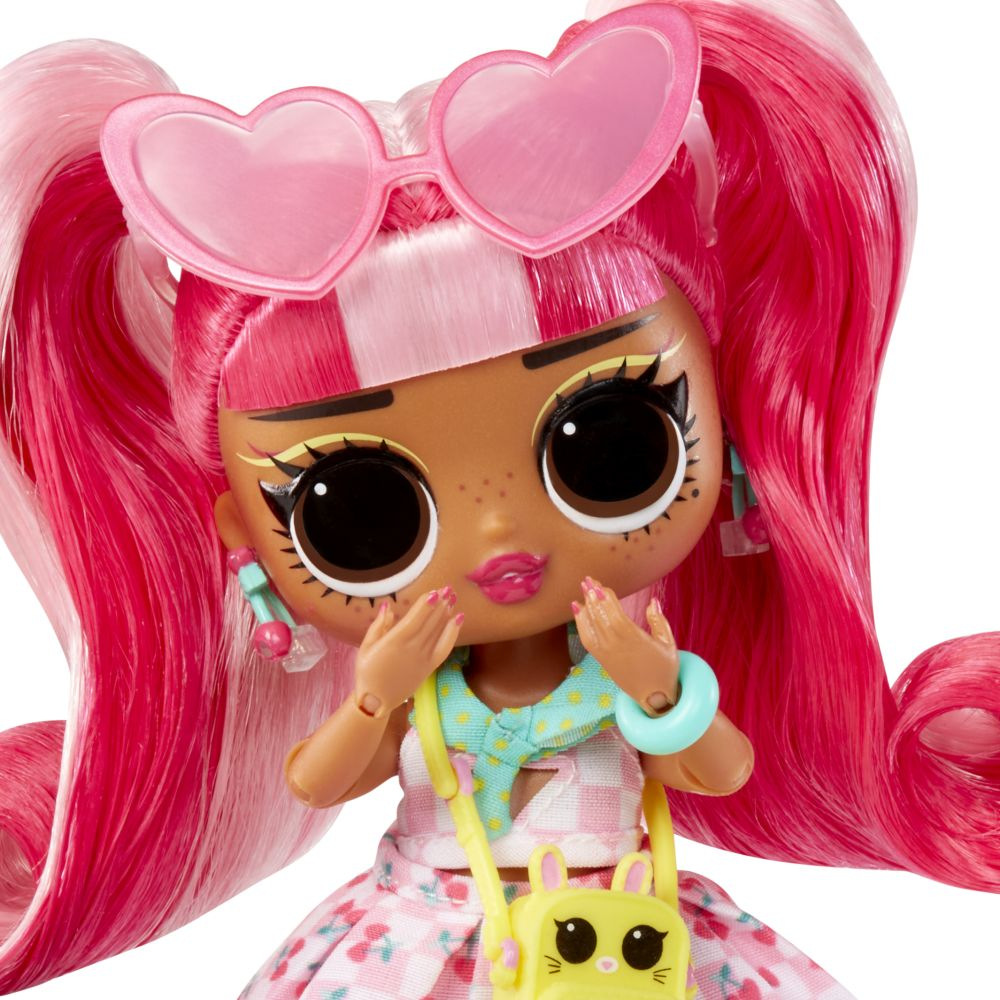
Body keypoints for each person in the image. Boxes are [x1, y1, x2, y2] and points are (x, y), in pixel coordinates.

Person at [0, 0, 995, 997]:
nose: (498, 529)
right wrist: (376, 694)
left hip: (626, 945)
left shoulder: (624, 662)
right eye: (361, 511)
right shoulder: (420, 687)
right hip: (420, 943)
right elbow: (319, 780)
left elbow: (720, 771)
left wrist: (658, 689)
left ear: (721, 418)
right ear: (243, 539)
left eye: (608, 448)